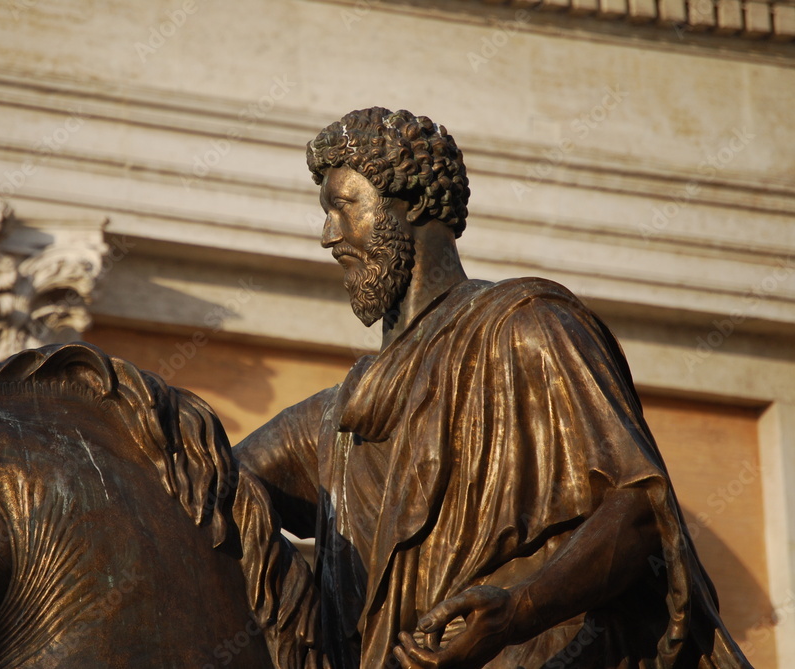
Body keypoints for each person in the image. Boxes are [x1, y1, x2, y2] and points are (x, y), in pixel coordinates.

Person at [234, 107, 752, 669]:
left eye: (344, 206)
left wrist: (516, 611)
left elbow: (641, 510)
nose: (329, 236)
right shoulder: (343, 418)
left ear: (414, 203)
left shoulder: (527, 328)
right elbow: (208, 479)